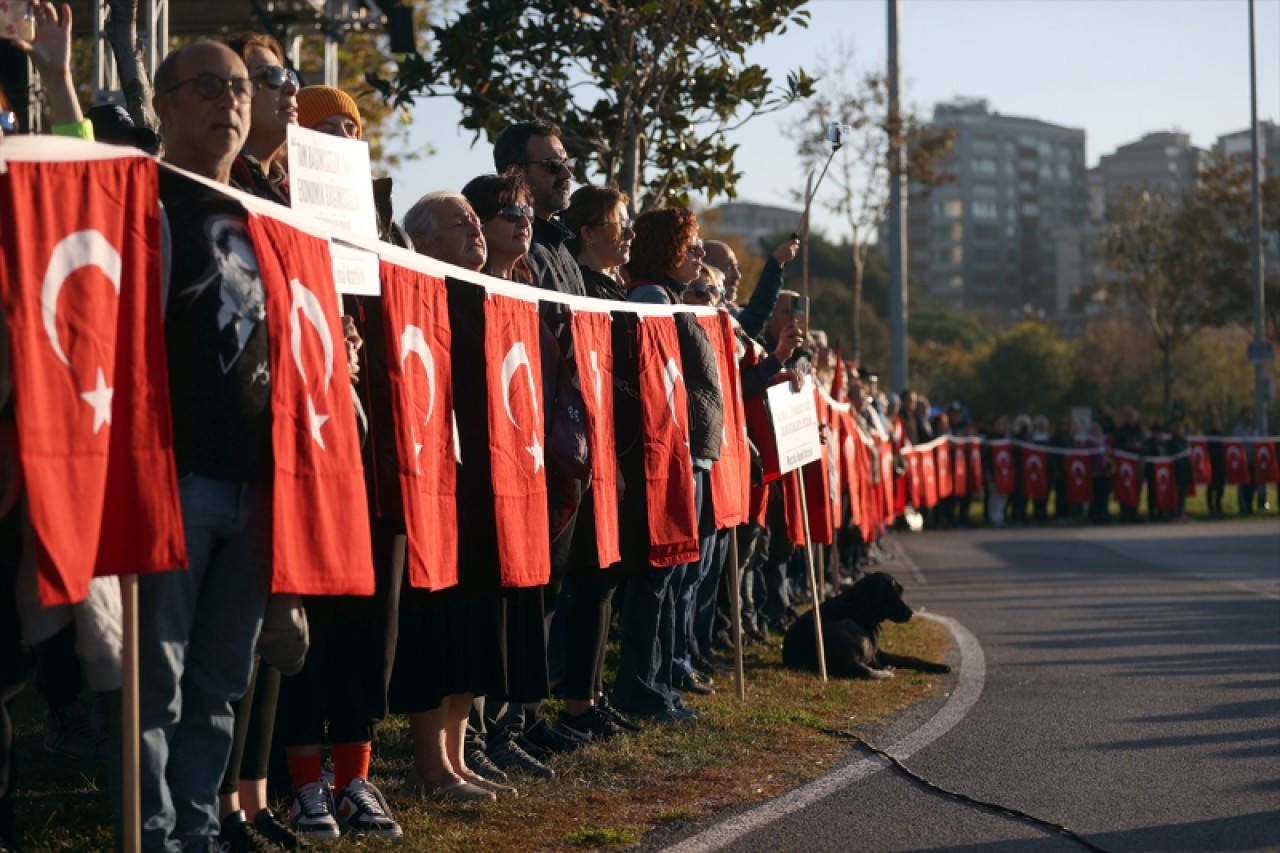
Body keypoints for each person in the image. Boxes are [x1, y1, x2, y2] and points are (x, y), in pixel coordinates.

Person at [140, 41, 275, 851]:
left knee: (221, 684)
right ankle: (152, 835)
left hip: (259, 486)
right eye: (206, 86)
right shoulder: (138, 195)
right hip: (175, 474)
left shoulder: (272, 217)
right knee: (155, 684)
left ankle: (196, 830)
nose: (228, 100)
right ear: (163, 102)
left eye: (238, 88)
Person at [388, 192, 523, 804]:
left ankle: (459, 756)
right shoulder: (420, 291)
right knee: (436, 620)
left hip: (484, 479)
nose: (474, 227)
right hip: (434, 474)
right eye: (458, 222)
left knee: (475, 618)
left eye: (476, 220)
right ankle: (428, 765)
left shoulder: (492, 295)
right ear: (424, 239)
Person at [611, 207, 723, 721]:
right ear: (665, 248)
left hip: (686, 452)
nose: (699, 251)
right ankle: (642, 686)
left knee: (674, 576)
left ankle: (659, 681)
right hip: (668, 453)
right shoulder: (651, 300)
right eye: (690, 243)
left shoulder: (669, 298)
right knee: (656, 578)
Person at [493, 119, 585, 299]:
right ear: (515, 172)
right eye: (554, 165)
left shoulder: (563, 248)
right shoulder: (507, 247)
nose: (567, 174)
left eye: (568, 164)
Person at [703, 237, 799, 338]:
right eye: (729, 267)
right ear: (706, 269)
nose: (738, 275)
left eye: (736, 268)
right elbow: (749, 324)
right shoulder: (698, 316)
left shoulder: (732, 313)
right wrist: (776, 263)